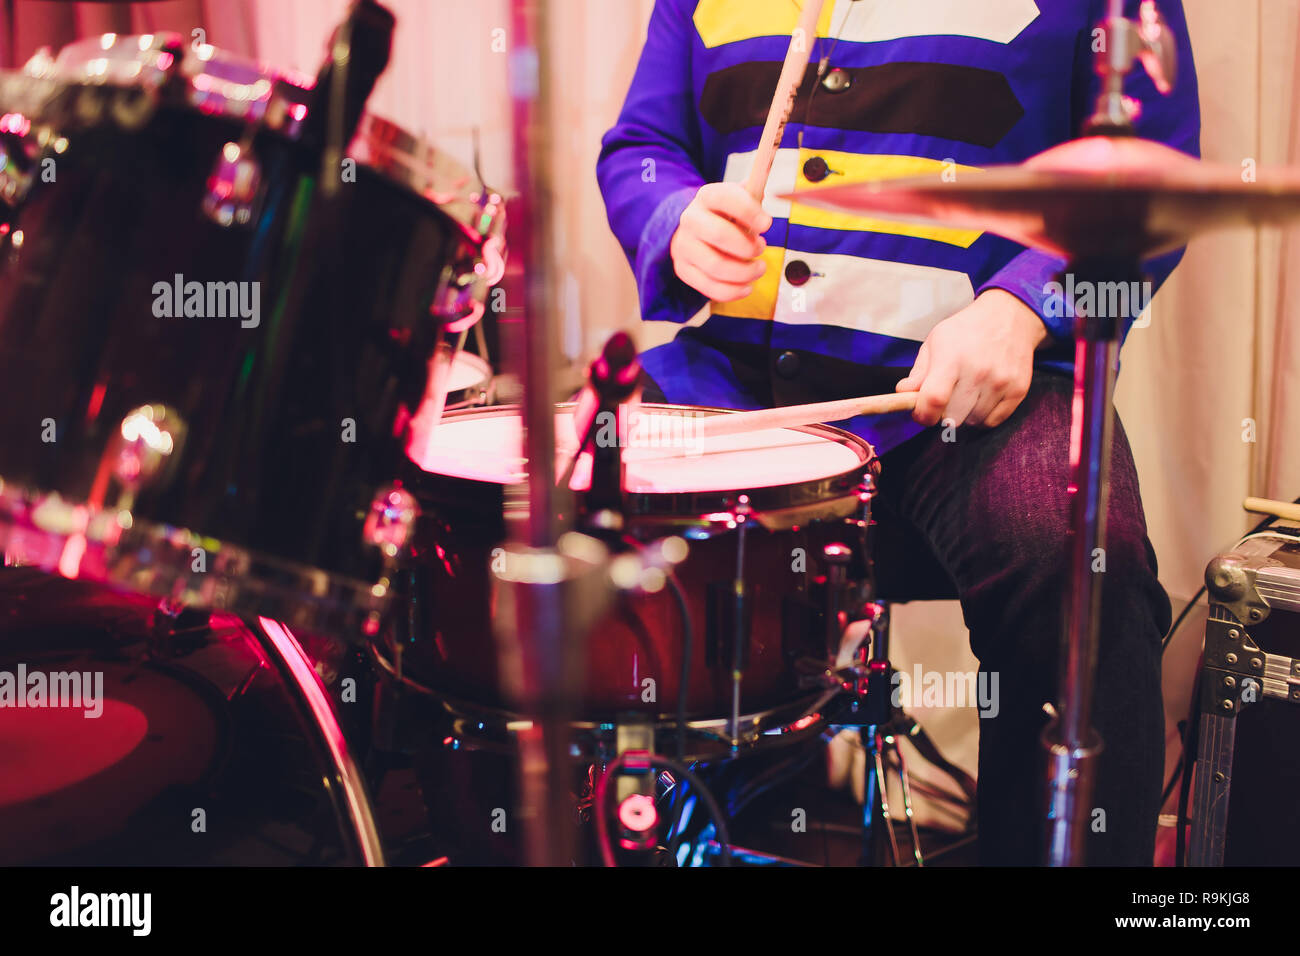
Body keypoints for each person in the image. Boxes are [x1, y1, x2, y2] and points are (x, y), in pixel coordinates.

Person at [597, 0, 1200, 865]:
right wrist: (676, 219)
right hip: (730, 384)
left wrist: (1025, 306)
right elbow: (642, 147)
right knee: (550, 506)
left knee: (1076, 561)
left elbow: (1151, 170)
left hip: (968, 397)